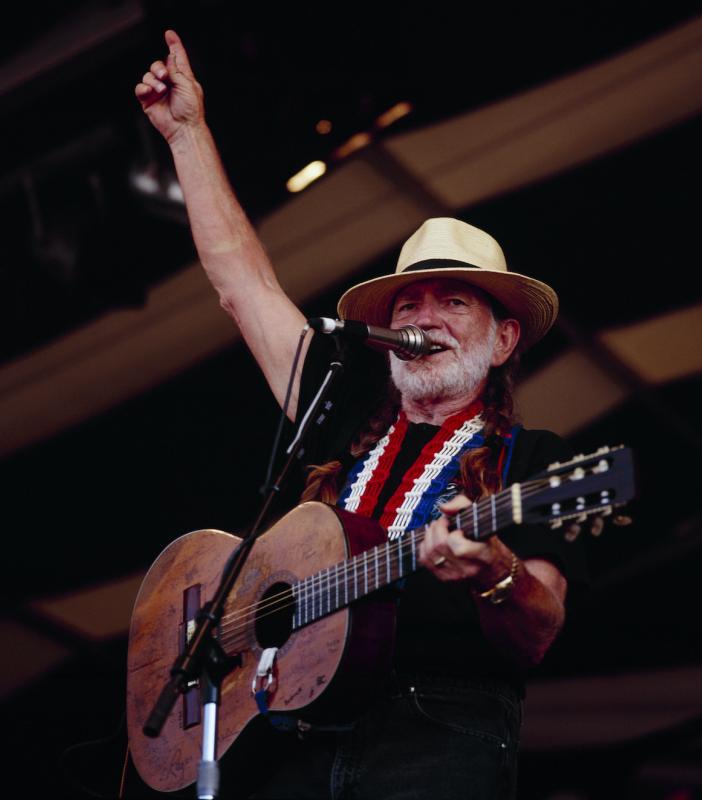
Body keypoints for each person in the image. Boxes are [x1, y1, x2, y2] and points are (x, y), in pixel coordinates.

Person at [136, 30, 586, 799]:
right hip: (294, 739)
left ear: (505, 339)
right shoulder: (338, 412)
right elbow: (242, 285)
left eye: (454, 301)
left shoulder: (537, 459)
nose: (425, 316)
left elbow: (539, 631)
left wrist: (496, 570)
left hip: (436, 738)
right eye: (408, 303)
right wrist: (187, 134)